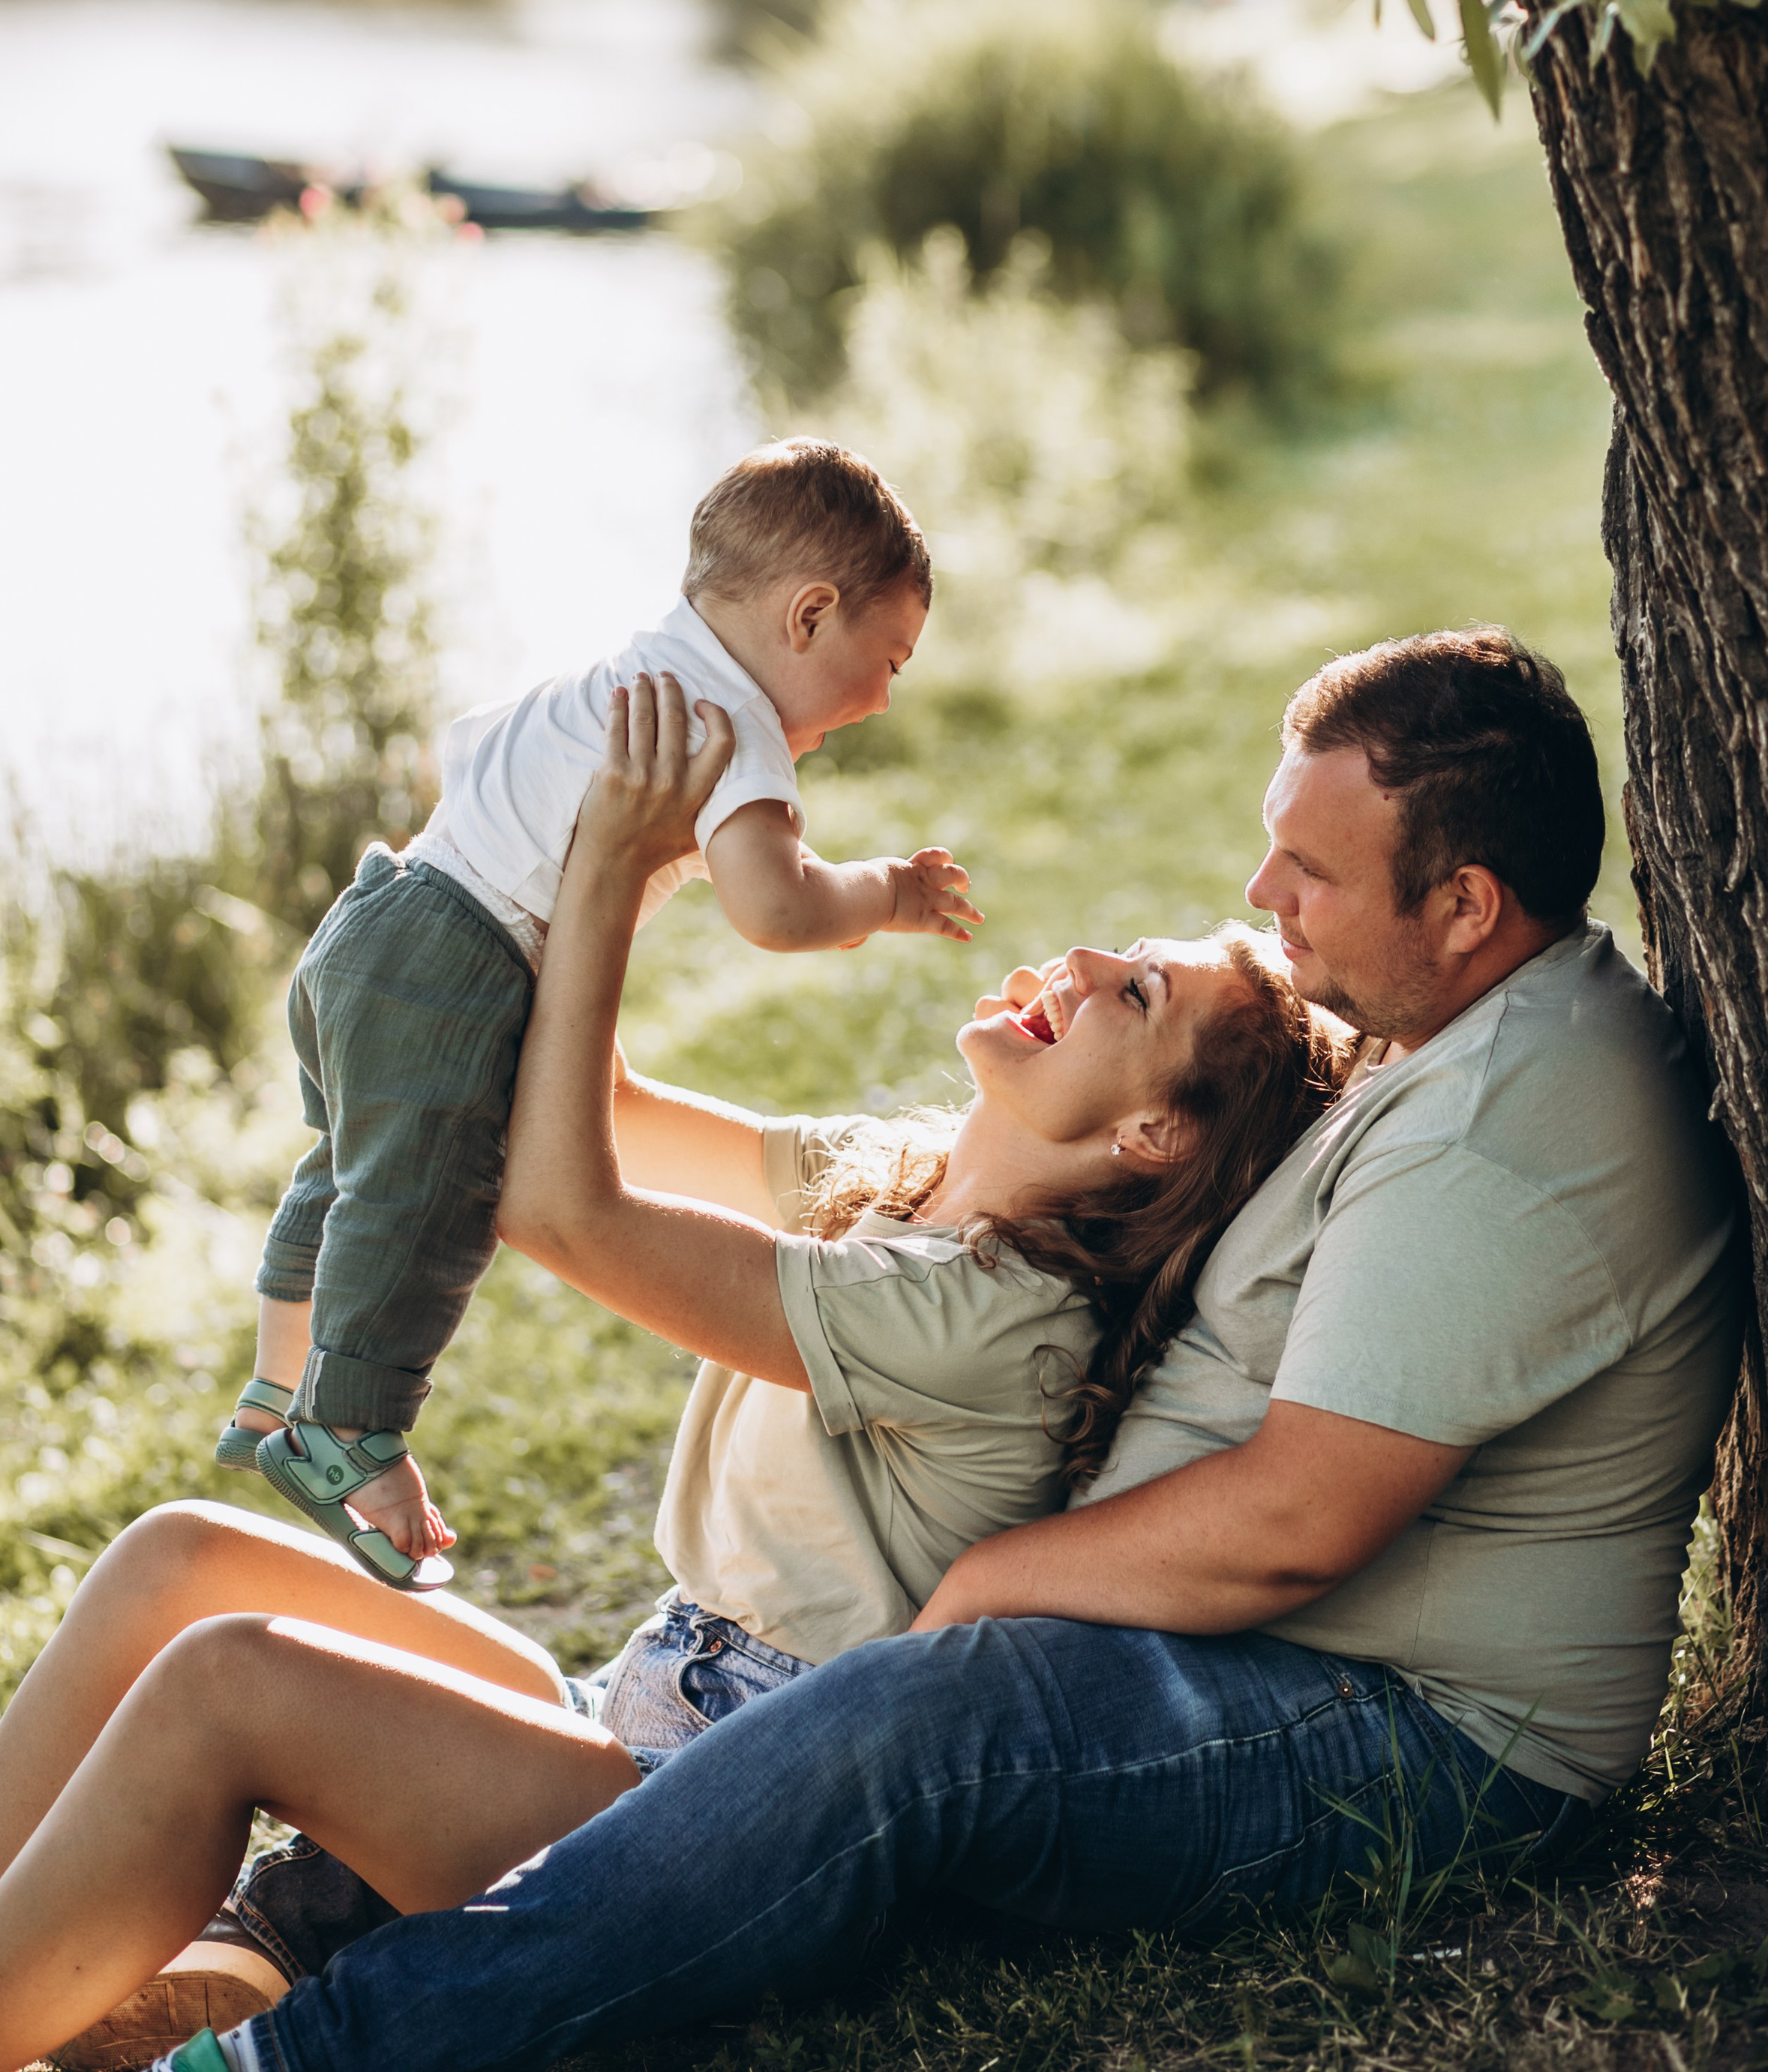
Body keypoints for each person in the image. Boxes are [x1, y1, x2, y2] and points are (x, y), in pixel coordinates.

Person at [0, 682, 1342, 2072]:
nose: (1079, 956)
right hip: (630, 1703)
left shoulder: (1004, 1319)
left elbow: (564, 1205)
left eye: (1139, 992)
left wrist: (611, 867)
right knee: (180, 1561)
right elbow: (613, 1113)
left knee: (232, 1680)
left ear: (1152, 1137)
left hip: (694, 1810)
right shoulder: (905, 1176)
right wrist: (584, 850)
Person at [218, 439, 981, 1589]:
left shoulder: (626, 672)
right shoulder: (730, 721)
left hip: (377, 914)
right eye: (892, 658)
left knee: (347, 1172)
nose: (884, 696)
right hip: (453, 961)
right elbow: (776, 905)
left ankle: (276, 1392)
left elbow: (468, 748)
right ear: (811, 614)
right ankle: (349, 1430)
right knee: (429, 1196)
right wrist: (892, 892)